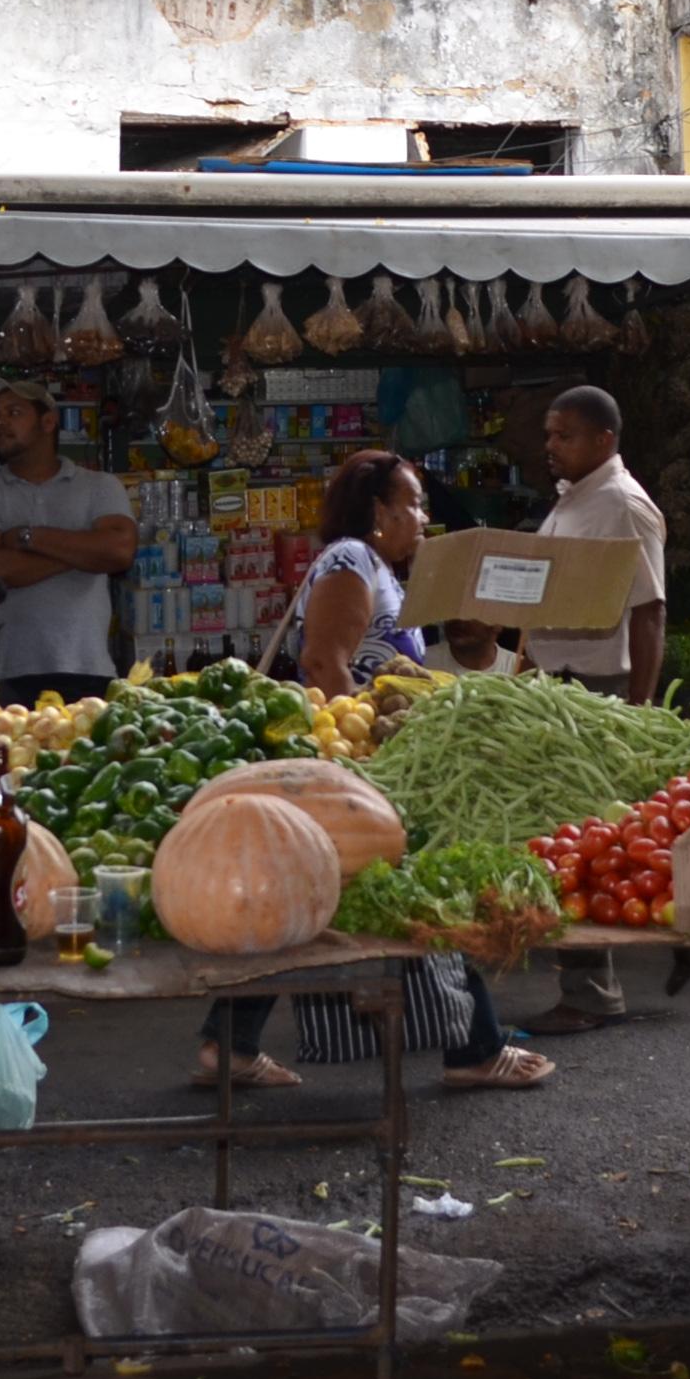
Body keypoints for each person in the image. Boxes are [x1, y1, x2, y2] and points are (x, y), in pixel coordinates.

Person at [200, 450, 555, 1094]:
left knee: (309, 896)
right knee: (426, 877)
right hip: (356, 767)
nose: (423, 516)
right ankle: (475, 1047)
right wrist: (356, 766)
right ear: (378, 512)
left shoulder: (381, 569)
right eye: (413, 503)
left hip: (368, 761)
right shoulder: (351, 559)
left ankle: (228, 1042)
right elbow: (325, 661)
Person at [488, 387, 668, 1038]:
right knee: (565, 835)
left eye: (564, 435)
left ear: (604, 440)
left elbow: (650, 610)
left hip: (598, 688)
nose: (551, 446)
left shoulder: (623, 506)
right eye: (550, 434)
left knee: (583, 841)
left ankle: (593, 988)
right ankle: (623, 961)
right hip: (555, 686)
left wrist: (639, 711)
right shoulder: (574, 500)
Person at [0, 375, 136, 708]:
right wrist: (85, 551)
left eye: (13, 413)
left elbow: (119, 551)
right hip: (8, 673)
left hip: (88, 669)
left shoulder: (100, 486)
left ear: (48, 421)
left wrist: (27, 537)